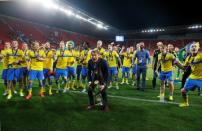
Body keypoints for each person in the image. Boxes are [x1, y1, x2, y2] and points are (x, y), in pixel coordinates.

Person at [178, 42, 202, 107]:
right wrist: (177, 63)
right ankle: (185, 103)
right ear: (190, 49)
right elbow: (184, 68)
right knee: (183, 91)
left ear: (198, 48)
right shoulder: (188, 57)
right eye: (192, 47)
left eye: (195, 46)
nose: (193, 48)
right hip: (192, 77)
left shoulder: (201, 55)